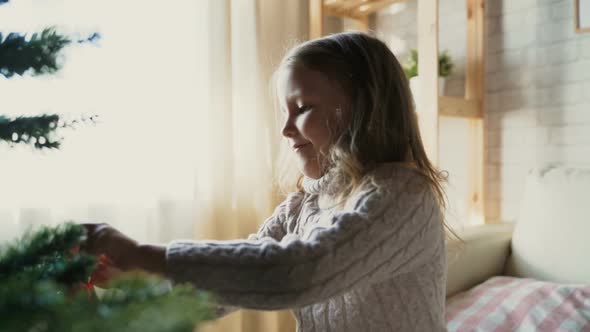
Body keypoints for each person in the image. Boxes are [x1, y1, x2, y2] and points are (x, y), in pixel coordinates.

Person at [81, 32, 451, 332]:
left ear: (364, 109)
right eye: (285, 112)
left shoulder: (404, 194)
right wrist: (134, 281)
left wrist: (141, 254)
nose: (285, 129)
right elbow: (226, 290)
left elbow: (298, 275)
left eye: (302, 107)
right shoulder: (302, 205)